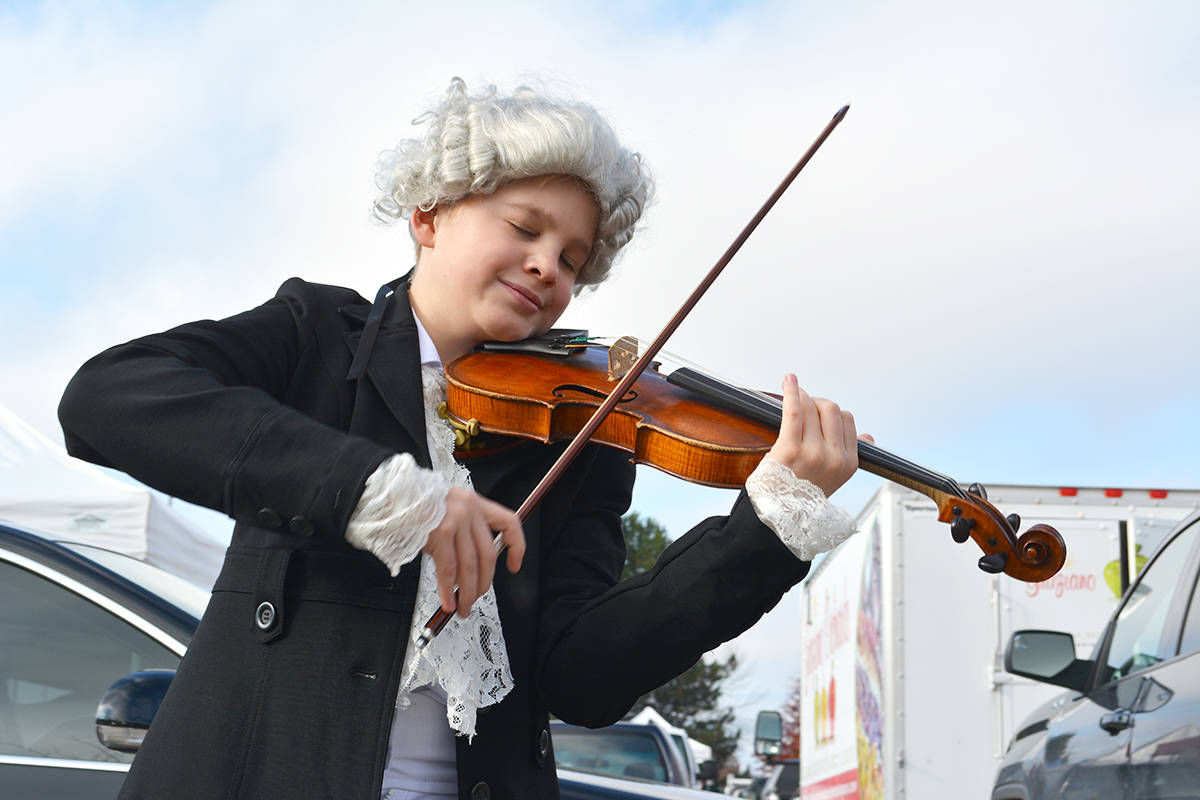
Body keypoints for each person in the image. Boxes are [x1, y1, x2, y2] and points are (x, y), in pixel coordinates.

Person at [58, 78, 864, 800]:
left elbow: (583, 677)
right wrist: (381, 491)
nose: (550, 266)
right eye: (524, 226)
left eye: (573, 258)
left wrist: (765, 532)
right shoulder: (315, 338)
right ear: (429, 214)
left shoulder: (579, 433)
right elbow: (108, 396)